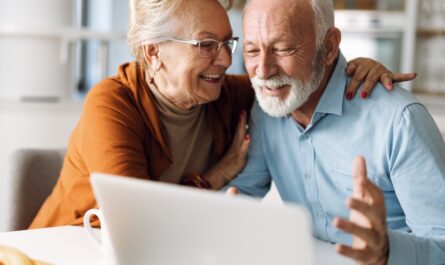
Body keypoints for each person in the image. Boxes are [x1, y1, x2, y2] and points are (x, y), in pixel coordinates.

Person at [30, 0, 413, 229]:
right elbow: (138, 222)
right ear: (152, 52)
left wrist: (355, 68)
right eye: (206, 45)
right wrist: (214, 177)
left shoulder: (231, 97)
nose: (228, 60)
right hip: (62, 253)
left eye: (228, 43)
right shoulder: (112, 104)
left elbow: (296, 81)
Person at [226, 0, 445, 264]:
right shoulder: (269, 108)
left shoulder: (399, 120)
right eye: (251, 51)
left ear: (328, 47)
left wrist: (387, 251)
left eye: (283, 49)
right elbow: (242, 193)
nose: (263, 70)